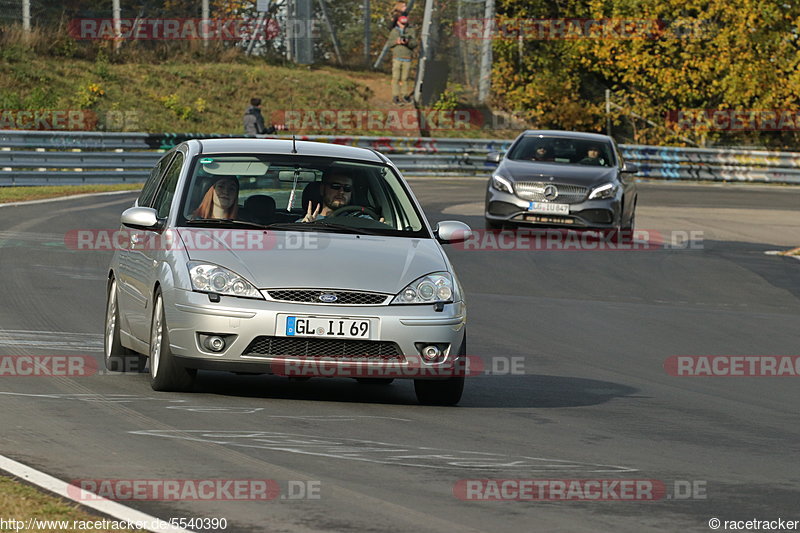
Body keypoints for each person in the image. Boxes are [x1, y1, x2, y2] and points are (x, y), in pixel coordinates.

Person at [388, 16, 417, 105]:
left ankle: (404, 96)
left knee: (405, 78)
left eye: (404, 23)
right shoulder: (394, 31)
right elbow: (389, 43)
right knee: (396, 78)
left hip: (407, 57)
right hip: (397, 57)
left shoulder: (411, 31)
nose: (403, 25)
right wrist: (396, 42)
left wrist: (408, 42)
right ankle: (395, 96)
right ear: (398, 22)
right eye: (401, 23)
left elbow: (414, 43)